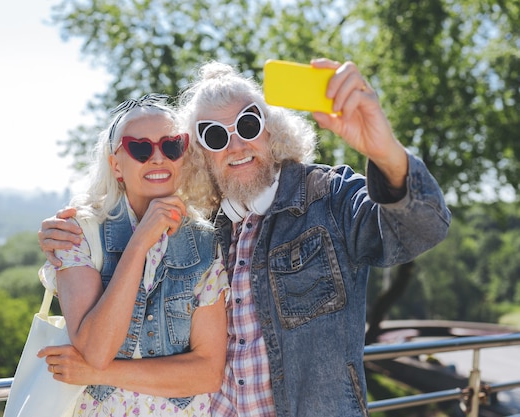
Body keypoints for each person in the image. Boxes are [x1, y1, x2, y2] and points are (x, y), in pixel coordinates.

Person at [38, 58, 451, 417]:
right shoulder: (205, 231)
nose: (235, 144)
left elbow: (421, 229)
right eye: (215, 136)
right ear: (200, 154)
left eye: (248, 124)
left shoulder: (327, 197)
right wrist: (70, 230)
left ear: (271, 129)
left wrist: (384, 151)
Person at [36, 93, 229, 417]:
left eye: (171, 146)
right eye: (139, 148)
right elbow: (96, 349)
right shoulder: (78, 233)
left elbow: (207, 372)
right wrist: (139, 243)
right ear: (116, 165)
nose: (157, 158)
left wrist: (98, 375)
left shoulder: (206, 245)